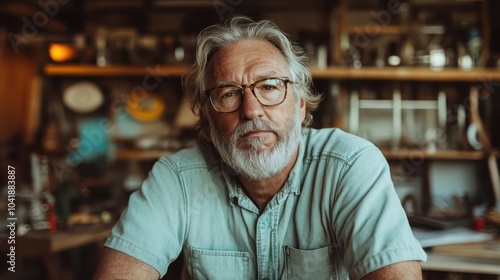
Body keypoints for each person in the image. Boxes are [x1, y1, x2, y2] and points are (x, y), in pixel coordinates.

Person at [94, 16, 426, 279]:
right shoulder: (177, 179)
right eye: (228, 94)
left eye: (268, 87)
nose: (251, 110)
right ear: (208, 122)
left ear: (299, 106)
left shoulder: (349, 165)